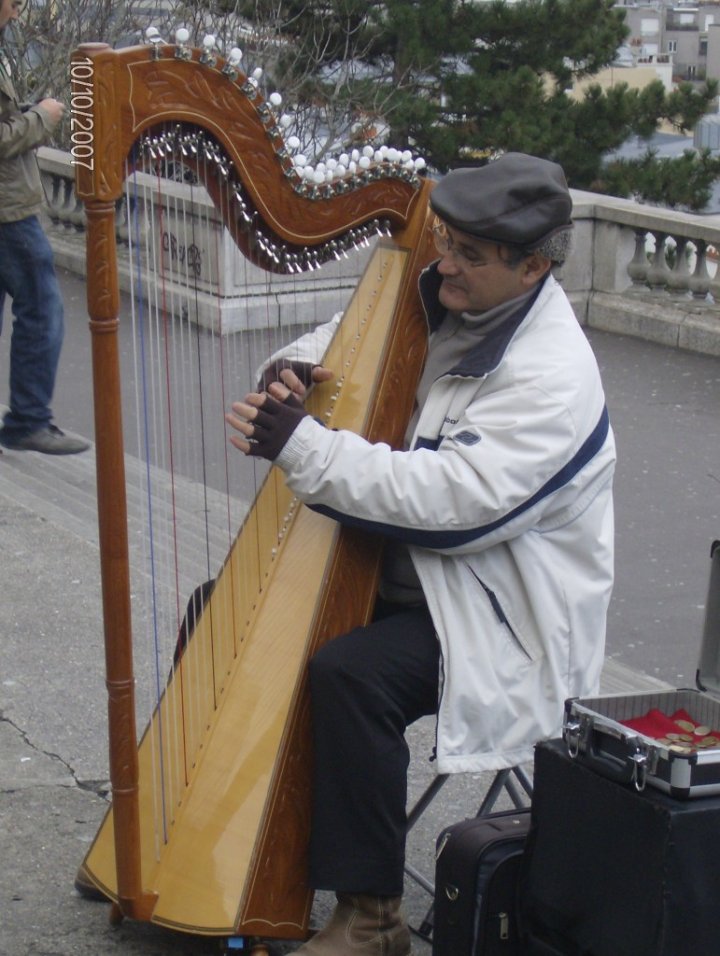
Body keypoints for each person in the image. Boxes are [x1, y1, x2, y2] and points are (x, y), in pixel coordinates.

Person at [226, 152, 616, 956]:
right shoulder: (441, 295)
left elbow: (453, 509)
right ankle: (225, 843)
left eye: (471, 256)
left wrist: (305, 451)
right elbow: (342, 343)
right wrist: (294, 376)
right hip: (405, 573)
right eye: (446, 243)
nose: (445, 266)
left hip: (494, 608)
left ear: (534, 266)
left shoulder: (553, 377)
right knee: (219, 612)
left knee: (350, 673)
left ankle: (371, 918)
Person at [0, 0, 88, 455]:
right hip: (8, 211)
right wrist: (42, 118)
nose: (16, 14)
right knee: (43, 308)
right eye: (13, 4)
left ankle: (26, 420)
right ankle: (28, 419)